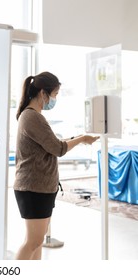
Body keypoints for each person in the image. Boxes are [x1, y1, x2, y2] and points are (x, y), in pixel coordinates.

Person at [13, 71, 99, 260]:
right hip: (33, 187)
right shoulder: (32, 117)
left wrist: (79, 139)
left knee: (37, 241)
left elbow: (53, 144)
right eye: (55, 94)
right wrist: (82, 138)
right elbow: (58, 148)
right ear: (43, 93)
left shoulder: (32, 116)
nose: (54, 99)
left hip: (39, 187)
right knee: (33, 241)